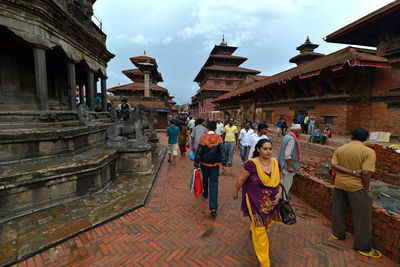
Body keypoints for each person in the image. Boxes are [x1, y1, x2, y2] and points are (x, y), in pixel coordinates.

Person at [331, 127, 381, 258]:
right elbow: (365, 173)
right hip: (357, 187)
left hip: (340, 184)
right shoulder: (368, 152)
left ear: (351, 136)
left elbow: (334, 165)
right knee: (363, 218)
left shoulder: (341, 149)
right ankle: (363, 247)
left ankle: (338, 233)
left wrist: (349, 172)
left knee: (338, 210)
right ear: (365, 138)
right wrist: (367, 188)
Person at [232, 139, 283, 267]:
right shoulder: (251, 164)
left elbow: (281, 178)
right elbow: (241, 179)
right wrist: (235, 190)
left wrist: (280, 192)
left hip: (271, 202)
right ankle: (264, 262)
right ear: (258, 149)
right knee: (259, 230)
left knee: (265, 225)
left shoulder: (275, 163)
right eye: (265, 149)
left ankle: (260, 234)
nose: (268, 151)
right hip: (254, 202)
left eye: (270, 148)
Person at [194, 121, 226, 217]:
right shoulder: (219, 138)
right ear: (216, 128)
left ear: (207, 127)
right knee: (214, 184)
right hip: (215, 165)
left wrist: (196, 163)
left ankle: (205, 193)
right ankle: (213, 207)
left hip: (204, 163)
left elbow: (199, 151)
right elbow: (222, 151)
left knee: (205, 178)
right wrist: (224, 164)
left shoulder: (203, 138)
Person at [277, 124, 302, 198]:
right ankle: (283, 200)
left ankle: (282, 198)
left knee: (282, 183)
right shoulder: (292, 139)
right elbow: (287, 155)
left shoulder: (287, 136)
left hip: (282, 164)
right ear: (296, 131)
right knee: (286, 184)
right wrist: (290, 166)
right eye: (299, 131)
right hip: (287, 167)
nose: (300, 133)